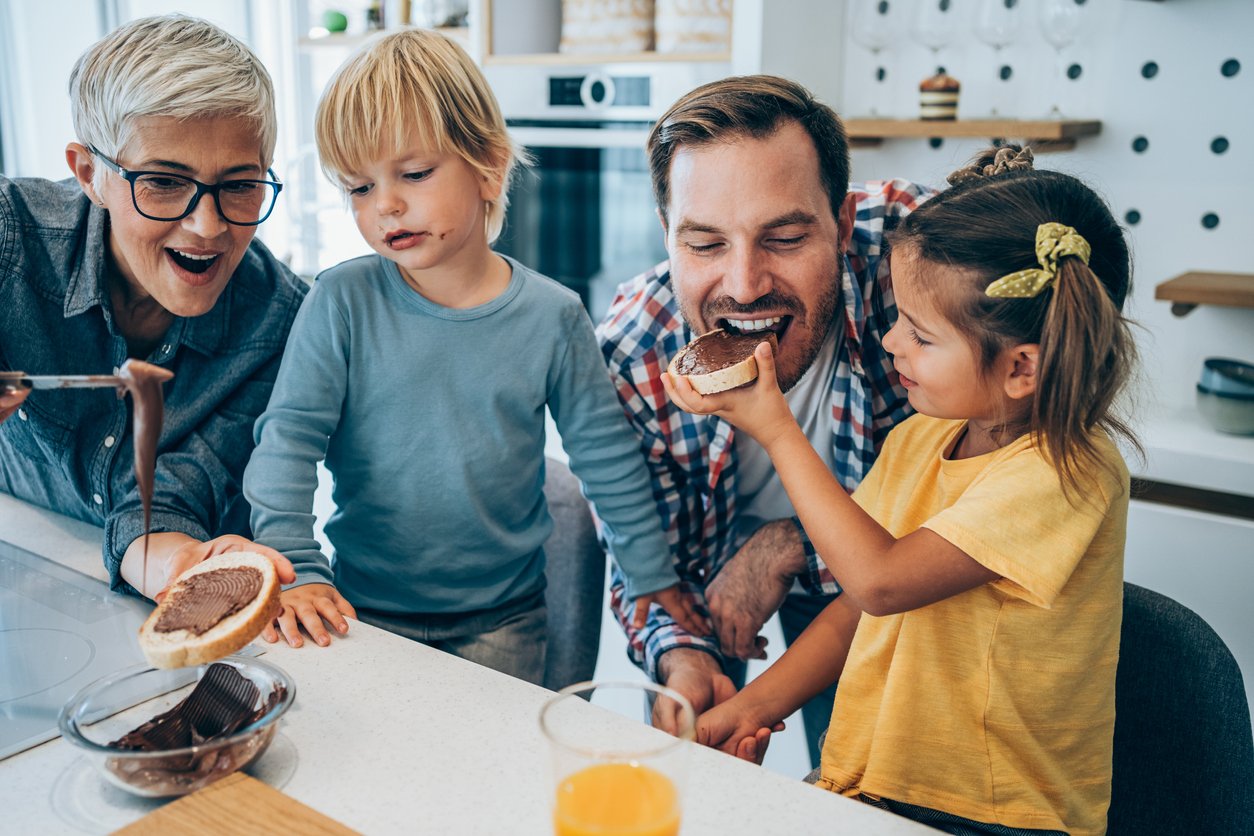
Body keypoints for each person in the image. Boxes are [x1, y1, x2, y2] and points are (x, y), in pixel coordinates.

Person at [672, 146, 1138, 836]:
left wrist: (776, 431)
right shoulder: (922, 438)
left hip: (991, 817)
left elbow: (882, 581)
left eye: (920, 335)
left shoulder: (1066, 473)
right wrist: (751, 707)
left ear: (1020, 368)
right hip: (876, 790)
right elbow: (857, 605)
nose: (891, 343)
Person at [242, 29, 706, 684]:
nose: (387, 206)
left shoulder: (553, 315)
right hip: (360, 609)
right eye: (359, 187)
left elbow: (605, 458)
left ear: (488, 165)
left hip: (505, 620)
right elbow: (287, 444)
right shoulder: (340, 301)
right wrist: (296, 566)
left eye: (414, 173)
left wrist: (653, 575)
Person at [596, 74, 930, 766]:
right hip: (711, 572)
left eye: (782, 237)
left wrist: (793, 542)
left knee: (868, 782)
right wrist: (683, 658)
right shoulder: (632, 351)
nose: (744, 286)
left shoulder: (921, 269)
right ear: (667, 236)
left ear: (841, 222)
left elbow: (971, 493)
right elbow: (644, 553)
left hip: (879, 579)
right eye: (705, 244)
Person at [0, 15, 302, 599]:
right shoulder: (13, 238)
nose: (207, 226)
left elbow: (171, 499)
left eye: (240, 184)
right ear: (90, 174)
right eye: (164, 182)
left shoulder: (280, 323)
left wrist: (179, 564)